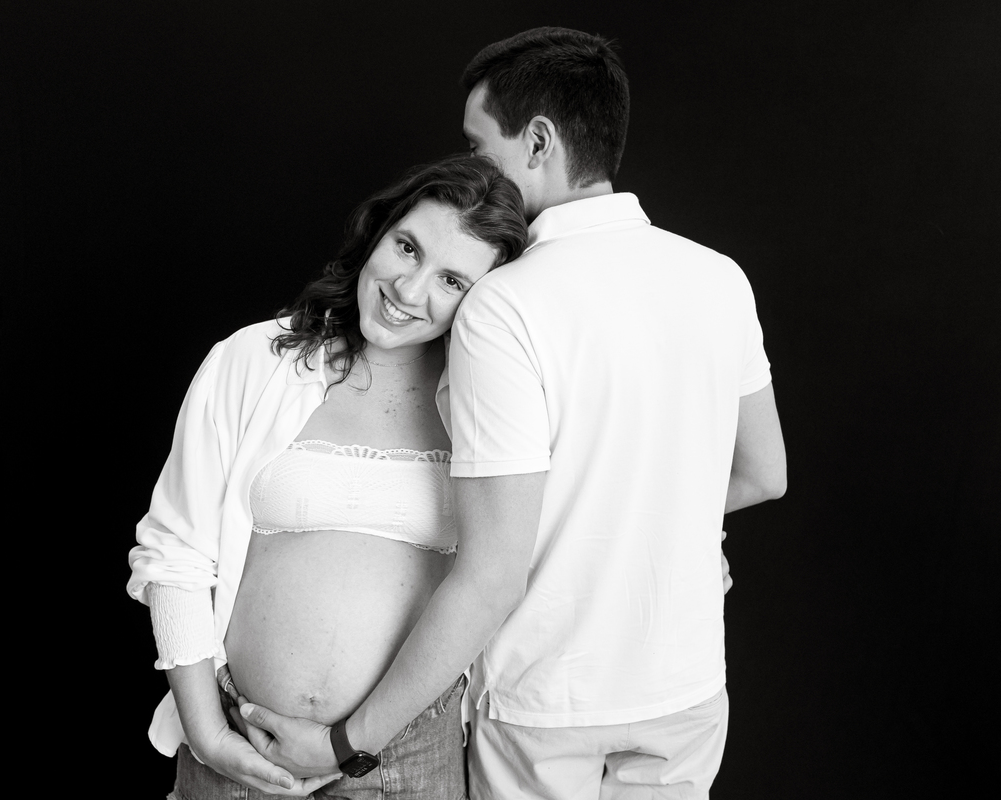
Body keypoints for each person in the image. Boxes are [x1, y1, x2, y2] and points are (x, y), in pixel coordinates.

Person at [239, 26, 787, 799]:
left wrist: (345, 745)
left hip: (544, 697)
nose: (469, 166)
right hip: (685, 690)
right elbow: (764, 474)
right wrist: (663, 529)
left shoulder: (503, 304)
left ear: (537, 141)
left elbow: (491, 576)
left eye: (477, 144)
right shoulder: (719, 277)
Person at [126, 154, 528, 799]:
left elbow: (507, 569)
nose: (408, 290)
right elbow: (175, 552)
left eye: (452, 280)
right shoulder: (255, 359)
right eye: (407, 247)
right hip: (239, 739)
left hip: (406, 758)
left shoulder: (490, 409)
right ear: (379, 232)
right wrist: (206, 733)